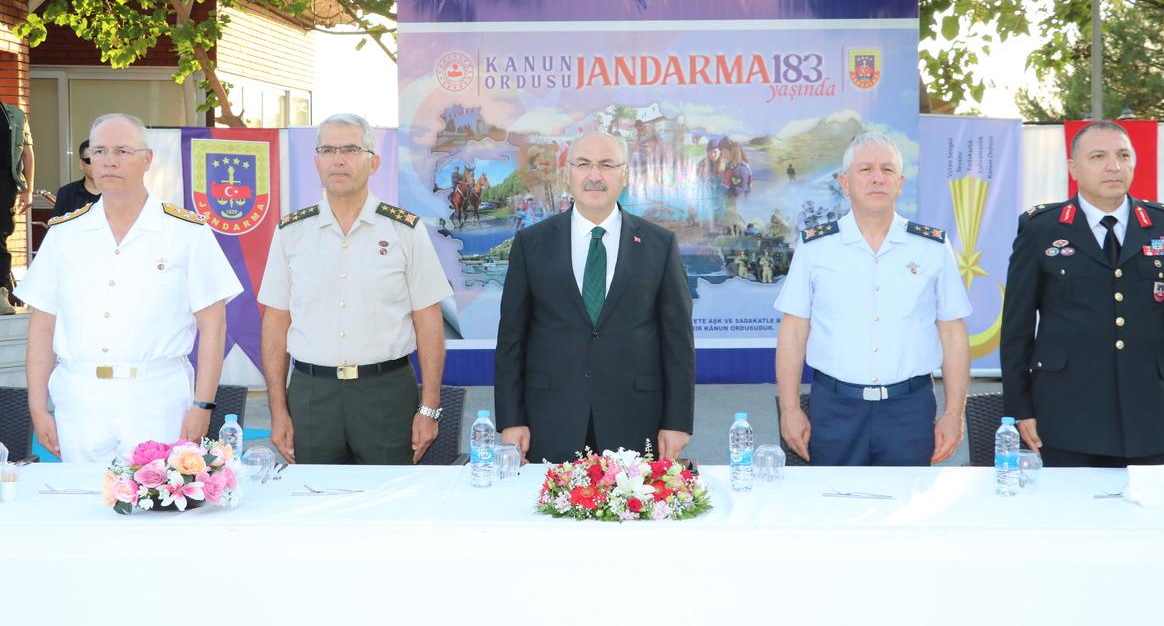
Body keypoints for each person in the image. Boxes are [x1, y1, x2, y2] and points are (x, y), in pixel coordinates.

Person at [15, 113, 242, 462]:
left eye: (122, 150)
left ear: (147, 159)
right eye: (100, 150)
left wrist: (202, 404)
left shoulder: (186, 233)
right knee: (83, 504)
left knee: (161, 504)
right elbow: (43, 325)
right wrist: (37, 406)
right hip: (81, 398)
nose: (109, 160)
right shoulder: (64, 235)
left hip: (157, 396)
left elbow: (214, 325)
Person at [1000, 120, 1164, 467]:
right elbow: (1016, 329)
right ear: (1073, 168)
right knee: (1069, 516)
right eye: (1098, 156)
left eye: (1123, 155)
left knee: (1144, 516)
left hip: (1147, 414)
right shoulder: (1041, 229)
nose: (1113, 166)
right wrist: (1020, 407)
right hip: (1064, 415)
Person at [259, 113, 453, 465]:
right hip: (311, 395)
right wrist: (277, 408)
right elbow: (276, 322)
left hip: (386, 394)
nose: (338, 159)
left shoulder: (405, 231)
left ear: (373, 162)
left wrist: (430, 407)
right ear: (316, 160)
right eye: (328, 150)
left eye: (350, 149)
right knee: (311, 502)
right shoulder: (291, 233)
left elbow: (428, 321)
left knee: (388, 506)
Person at [494, 131, 695, 463]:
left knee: (632, 511)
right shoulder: (532, 244)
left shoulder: (660, 245)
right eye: (584, 164)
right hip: (550, 418)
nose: (595, 176)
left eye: (606, 165)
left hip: (636, 419)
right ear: (568, 172)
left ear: (625, 174)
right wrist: (512, 419)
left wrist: (677, 422)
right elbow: (511, 340)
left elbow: (678, 342)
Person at [774, 131, 971, 466]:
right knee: (832, 507)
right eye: (865, 170)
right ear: (845, 183)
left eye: (887, 170)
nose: (877, 178)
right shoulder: (815, 247)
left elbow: (953, 334)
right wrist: (790, 409)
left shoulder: (933, 248)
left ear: (900, 183)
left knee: (906, 512)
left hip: (909, 409)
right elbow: (793, 332)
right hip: (835, 408)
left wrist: (954, 413)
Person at [1, 100, 34, 313]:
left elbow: (27, 155)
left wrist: (28, 190)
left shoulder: (14, 115)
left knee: (0, 236)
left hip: (4, 183)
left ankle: (1, 293)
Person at [52, 139, 102, 217]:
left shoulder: (119, 192)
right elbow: (56, 227)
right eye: (89, 160)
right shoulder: (66, 193)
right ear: (81, 164)